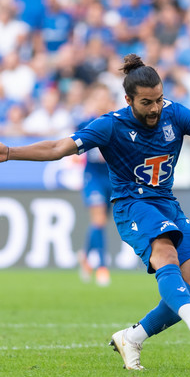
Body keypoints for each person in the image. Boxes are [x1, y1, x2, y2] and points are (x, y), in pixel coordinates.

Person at [0, 54, 190, 370]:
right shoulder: (110, 125)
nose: (155, 108)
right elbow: (58, 148)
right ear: (128, 100)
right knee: (165, 253)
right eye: (146, 103)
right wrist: (10, 152)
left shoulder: (176, 114)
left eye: (158, 99)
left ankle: (133, 338)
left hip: (166, 202)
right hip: (132, 205)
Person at [76, 83, 116, 286]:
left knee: (100, 223)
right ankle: (101, 267)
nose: (102, 101)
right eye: (98, 97)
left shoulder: (116, 122)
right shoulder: (86, 122)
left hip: (111, 177)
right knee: (98, 220)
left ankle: (84, 256)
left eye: (105, 97)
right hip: (93, 177)